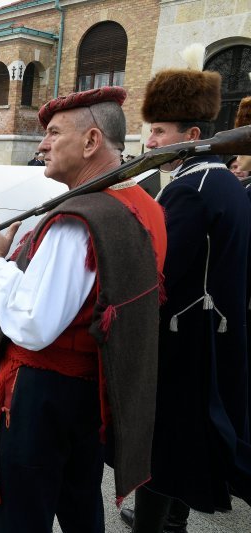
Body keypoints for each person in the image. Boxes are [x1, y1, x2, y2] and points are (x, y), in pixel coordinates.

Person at [0, 86, 167, 533]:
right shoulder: (147, 206)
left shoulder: (77, 222)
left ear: (92, 142)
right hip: (92, 390)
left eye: (54, 133)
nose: (42, 144)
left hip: (44, 398)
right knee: (79, 503)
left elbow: (31, 324)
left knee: (24, 515)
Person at [121, 66, 251, 533]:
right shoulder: (221, 181)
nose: (150, 141)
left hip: (185, 339)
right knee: (188, 438)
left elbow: (156, 273)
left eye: (159, 131)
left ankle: (157, 524)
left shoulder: (191, 189)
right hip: (211, 332)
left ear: (192, 134)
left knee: (164, 442)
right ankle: (172, 514)